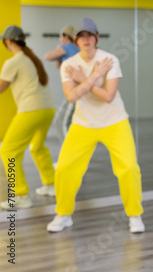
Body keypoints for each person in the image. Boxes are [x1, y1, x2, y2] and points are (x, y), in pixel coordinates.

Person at [46, 18, 145, 233]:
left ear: (96, 38)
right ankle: (63, 214)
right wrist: (95, 76)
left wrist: (84, 80)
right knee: (64, 168)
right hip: (83, 124)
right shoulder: (69, 64)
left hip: (114, 121)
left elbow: (108, 96)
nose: (86, 39)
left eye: (90, 35)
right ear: (75, 40)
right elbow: (71, 97)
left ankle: (135, 215)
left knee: (129, 168)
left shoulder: (109, 60)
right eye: (81, 36)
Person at [0, 25, 56, 208]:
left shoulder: (13, 62)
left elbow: (1, 88)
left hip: (31, 110)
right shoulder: (31, 58)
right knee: (38, 147)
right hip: (48, 108)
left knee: (8, 150)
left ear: (7, 42)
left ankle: (21, 196)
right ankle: (51, 184)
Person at [44, 25, 80, 143]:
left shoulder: (68, 47)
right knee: (67, 122)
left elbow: (47, 56)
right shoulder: (74, 48)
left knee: (61, 122)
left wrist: (60, 48)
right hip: (76, 91)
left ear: (65, 36)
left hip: (76, 92)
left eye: (60, 36)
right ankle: (74, 154)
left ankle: (71, 156)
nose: (59, 38)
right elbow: (58, 66)